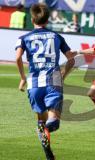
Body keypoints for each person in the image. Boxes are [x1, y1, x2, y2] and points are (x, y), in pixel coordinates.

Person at [15, 3, 75, 160]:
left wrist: (22, 78)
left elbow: (17, 58)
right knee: (53, 122)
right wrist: (63, 74)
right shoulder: (57, 36)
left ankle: (49, 155)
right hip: (52, 81)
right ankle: (44, 129)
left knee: (41, 122)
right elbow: (71, 60)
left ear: (32, 19)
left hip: (33, 83)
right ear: (48, 20)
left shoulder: (23, 38)